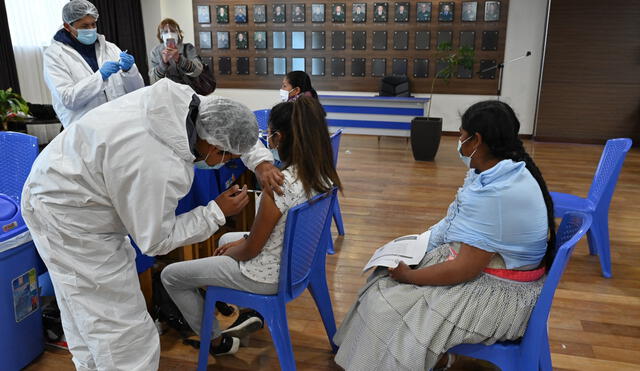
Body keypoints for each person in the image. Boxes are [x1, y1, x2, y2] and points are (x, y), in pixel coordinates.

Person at [21, 79, 285, 370]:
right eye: (228, 157)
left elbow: (230, 127)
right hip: (69, 215)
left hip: (60, 184)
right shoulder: (157, 163)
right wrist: (215, 213)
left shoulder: (185, 102)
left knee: (83, 310)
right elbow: (155, 240)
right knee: (123, 332)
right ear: (213, 146)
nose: (227, 163)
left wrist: (261, 161)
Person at [334, 101, 555, 370]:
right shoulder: (502, 171)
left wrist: (411, 276)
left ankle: (398, 360)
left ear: (477, 141)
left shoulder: (496, 194)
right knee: (384, 278)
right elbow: (456, 222)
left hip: (501, 297)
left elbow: (465, 269)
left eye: (461, 135)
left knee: (386, 303)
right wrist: (420, 242)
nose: (458, 141)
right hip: (498, 273)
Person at [161, 96, 342, 357]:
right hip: (296, 266)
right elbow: (278, 232)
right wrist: (239, 243)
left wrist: (235, 249)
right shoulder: (322, 175)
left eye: (268, 135)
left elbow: (251, 250)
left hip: (265, 277)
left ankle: (214, 341)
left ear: (277, 138)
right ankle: (233, 304)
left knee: (172, 275)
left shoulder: (278, 186)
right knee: (226, 241)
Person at [43, 0, 144, 128]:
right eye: (84, 26)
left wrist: (129, 71)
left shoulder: (110, 48)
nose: (91, 30)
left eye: (93, 24)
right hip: (86, 129)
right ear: (68, 26)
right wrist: (100, 77)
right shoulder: (55, 55)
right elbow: (68, 99)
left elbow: (137, 91)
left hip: (120, 123)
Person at [150, 18, 203, 85]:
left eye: (173, 31)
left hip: (188, 90)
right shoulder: (155, 52)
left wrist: (179, 59)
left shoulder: (188, 48)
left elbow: (198, 71)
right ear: (161, 36)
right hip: (167, 91)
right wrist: (163, 63)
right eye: (165, 32)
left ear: (178, 34)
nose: (169, 35)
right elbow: (153, 80)